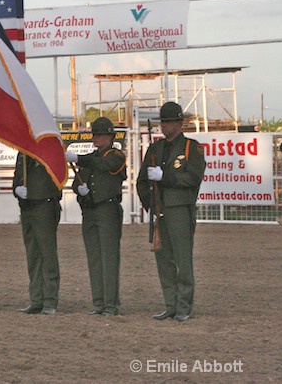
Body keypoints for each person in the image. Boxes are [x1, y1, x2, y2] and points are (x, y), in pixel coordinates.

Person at [137, 102, 206, 322]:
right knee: (163, 259)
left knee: (182, 258)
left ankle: (184, 306)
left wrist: (165, 178)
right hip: (160, 209)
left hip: (179, 210)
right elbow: (141, 180)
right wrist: (150, 204)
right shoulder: (155, 149)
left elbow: (193, 177)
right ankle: (170, 304)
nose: (164, 126)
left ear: (179, 123)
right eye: (162, 122)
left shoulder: (191, 148)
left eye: (168, 122)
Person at [65, 117, 127, 316]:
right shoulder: (91, 158)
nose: (97, 138)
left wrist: (79, 159)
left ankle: (111, 304)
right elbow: (78, 181)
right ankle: (98, 303)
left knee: (109, 257)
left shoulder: (115, 155)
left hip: (107, 209)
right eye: (95, 134)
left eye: (101, 134)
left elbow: (106, 165)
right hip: (90, 210)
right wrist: (80, 189)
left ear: (110, 136)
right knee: (94, 258)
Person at [13, 151, 62, 315]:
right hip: (27, 208)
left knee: (47, 254)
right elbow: (17, 177)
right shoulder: (22, 153)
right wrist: (16, 189)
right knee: (33, 255)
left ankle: (50, 300)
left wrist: (34, 190)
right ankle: (36, 299)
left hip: (44, 205)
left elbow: (56, 179)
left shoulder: (48, 149)